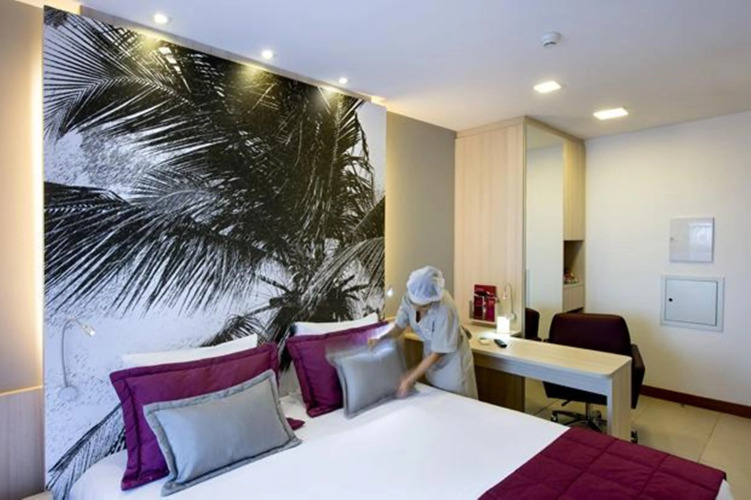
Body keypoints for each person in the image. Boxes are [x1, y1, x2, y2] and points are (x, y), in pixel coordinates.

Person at [371, 266, 478, 399]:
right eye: (415, 304)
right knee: (436, 401)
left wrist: (410, 377)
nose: (418, 309)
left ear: (433, 300)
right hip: (432, 357)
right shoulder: (410, 297)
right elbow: (399, 326)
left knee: (458, 402)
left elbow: (438, 353)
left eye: (424, 306)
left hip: (452, 364)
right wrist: (381, 339)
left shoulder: (445, 309)